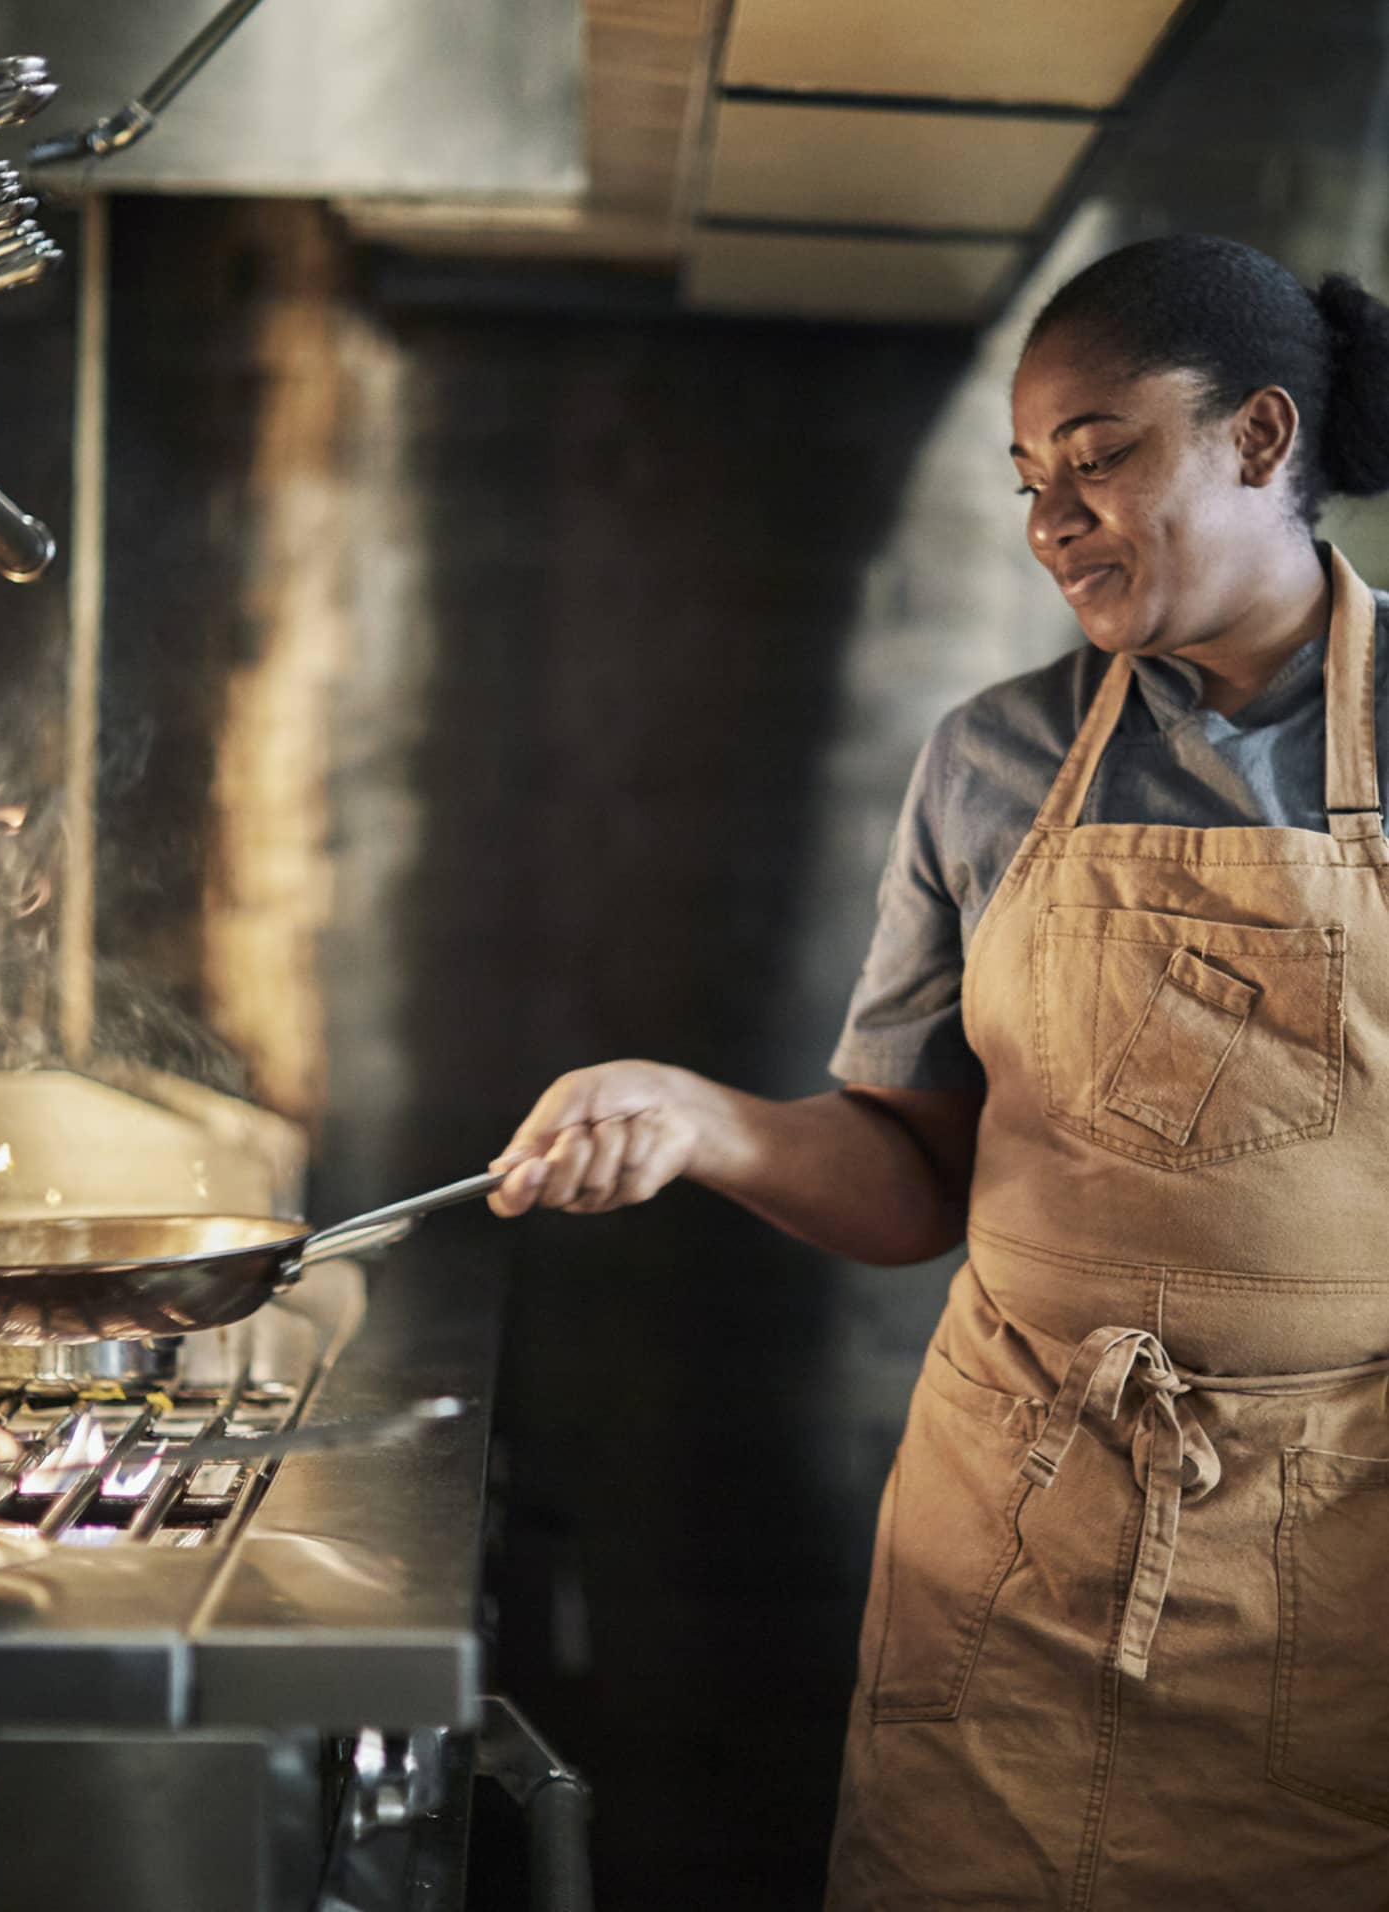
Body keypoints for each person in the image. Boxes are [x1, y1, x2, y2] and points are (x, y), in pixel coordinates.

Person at [486, 233, 1389, 1907]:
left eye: (1100, 455)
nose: (1050, 516)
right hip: (1014, 1559)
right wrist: (699, 1122)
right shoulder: (991, 758)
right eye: (1029, 474)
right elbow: (913, 1178)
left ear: (1259, 440)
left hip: (1333, 1583)